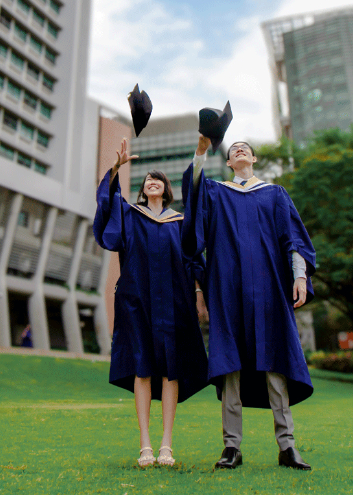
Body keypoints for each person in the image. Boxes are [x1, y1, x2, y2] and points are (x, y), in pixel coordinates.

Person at [182, 137, 316, 471]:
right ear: (228, 163)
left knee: (276, 364)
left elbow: (294, 238)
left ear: (254, 159)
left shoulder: (275, 194)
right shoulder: (215, 192)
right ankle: (231, 447)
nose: (239, 150)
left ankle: (287, 446)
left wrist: (300, 276)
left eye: (245, 148)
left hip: (269, 289)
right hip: (227, 290)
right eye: (233, 150)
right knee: (229, 366)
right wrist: (201, 151)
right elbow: (193, 198)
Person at [93, 138, 208, 467]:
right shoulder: (130, 216)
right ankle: (145, 444)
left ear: (166, 189)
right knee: (142, 368)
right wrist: (115, 169)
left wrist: (201, 297)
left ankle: (166, 444)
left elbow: (195, 258)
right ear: (143, 190)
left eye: (157, 178)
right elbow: (107, 205)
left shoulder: (180, 222)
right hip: (137, 300)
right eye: (147, 179)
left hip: (174, 303)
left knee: (171, 370)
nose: (151, 181)